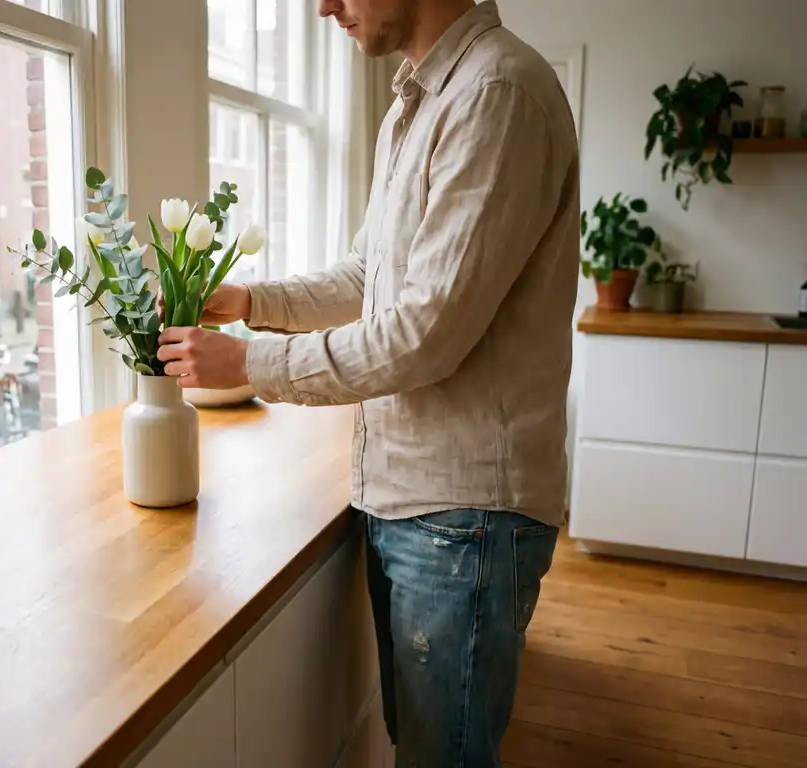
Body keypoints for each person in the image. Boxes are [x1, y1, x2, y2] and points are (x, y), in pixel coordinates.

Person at [158, 0, 579, 764]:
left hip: (466, 513)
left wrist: (249, 363)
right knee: (423, 746)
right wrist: (250, 302)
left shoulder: (496, 94)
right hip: (416, 497)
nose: (325, 6)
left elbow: (424, 334)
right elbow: (368, 277)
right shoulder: (417, 105)